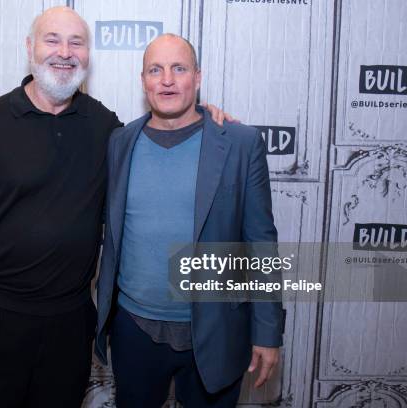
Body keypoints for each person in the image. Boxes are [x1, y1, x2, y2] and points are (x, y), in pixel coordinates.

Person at [0, 7, 230, 408]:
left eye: (77, 42)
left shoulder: (105, 127)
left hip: (68, 329)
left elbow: (164, 140)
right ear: (30, 48)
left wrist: (206, 120)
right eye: (52, 39)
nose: (65, 52)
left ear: (89, 54)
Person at [95, 34, 284, 408]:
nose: (167, 80)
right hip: (134, 330)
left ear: (197, 78)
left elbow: (261, 245)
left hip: (216, 333)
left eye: (178, 69)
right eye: (156, 70)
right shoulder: (119, 142)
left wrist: (267, 332)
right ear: (143, 81)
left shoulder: (240, 144)